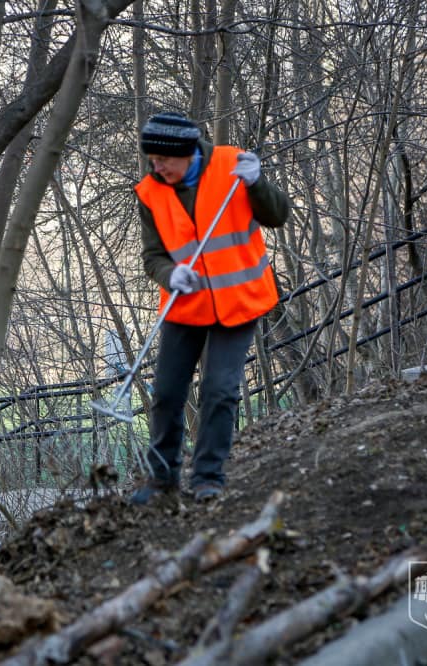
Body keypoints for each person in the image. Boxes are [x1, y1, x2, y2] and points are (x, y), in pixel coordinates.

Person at [130, 111, 290, 504]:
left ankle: (207, 477)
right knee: (166, 392)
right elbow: (152, 256)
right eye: (152, 160)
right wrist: (170, 275)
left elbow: (277, 215)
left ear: (186, 153)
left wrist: (258, 184)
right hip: (186, 305)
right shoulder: (150, 193)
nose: (157, 167)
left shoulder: (233, 167)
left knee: (220, 390)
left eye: (163, 160)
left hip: (238, 302)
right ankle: (162, 480)